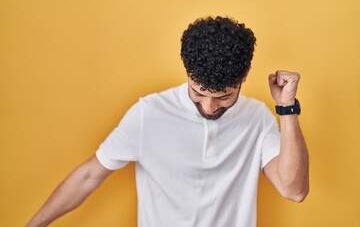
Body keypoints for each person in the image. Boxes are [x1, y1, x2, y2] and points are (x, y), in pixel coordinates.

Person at [26, 16, 309, 227]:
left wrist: (287, 108)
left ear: (244, 76)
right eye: (198, 93)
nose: (209, 107)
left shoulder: (257, 118)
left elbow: (294, 190)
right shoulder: (148, 113)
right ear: (187, 72)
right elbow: (88, 176)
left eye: (223, 96)